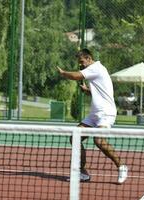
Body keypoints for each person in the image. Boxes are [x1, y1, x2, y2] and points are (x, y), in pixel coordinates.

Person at [57, 48, 128, 184]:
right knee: (75, 137)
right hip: (94, 114)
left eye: (82, 61)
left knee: (99, 140)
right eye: (79, 63)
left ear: (89, 58)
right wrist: (89, 91)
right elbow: (102, 91)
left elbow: (76, 76)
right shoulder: (95, 70)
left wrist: (63, 73)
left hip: (106, 113)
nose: (81, 65)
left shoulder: (96, 68)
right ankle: (83, 173)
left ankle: (122, 166)